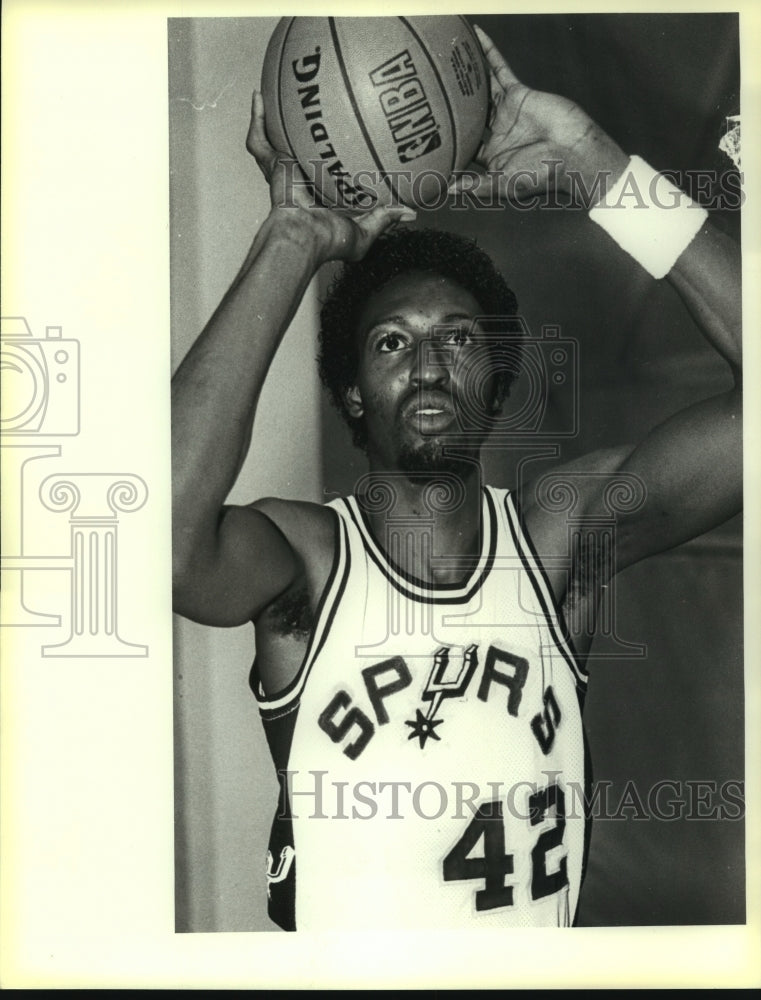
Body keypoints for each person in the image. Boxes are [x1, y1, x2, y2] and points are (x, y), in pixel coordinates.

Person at [171, 25, 741, 930]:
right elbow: (156, 537)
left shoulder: (560, 542)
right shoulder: (308, 564)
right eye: (392, 343)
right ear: (352, 393)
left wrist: (597, 169)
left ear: (496, 380)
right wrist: (290, 241)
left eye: (459, 339)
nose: (428, 364)